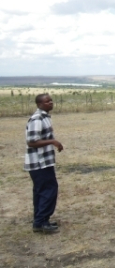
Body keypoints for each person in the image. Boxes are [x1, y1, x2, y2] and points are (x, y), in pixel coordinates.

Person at [24, 93, 63, 234]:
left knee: (41, 191)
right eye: (47, 101)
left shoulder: (45, 117)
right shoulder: (37, 119)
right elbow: (32, 141)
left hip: (44, 162)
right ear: (39, 104)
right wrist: (53, 141)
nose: (51, 103)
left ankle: (40, 221)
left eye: (51, 100)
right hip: (39, 163)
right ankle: (41, 222)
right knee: (49, 190)